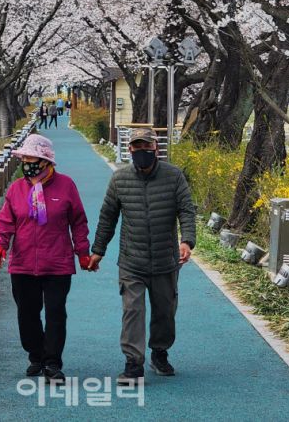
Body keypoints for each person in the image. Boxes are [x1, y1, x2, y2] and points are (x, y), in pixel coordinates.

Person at [89, 129, 196, 385]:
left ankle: (159, 352)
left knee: (165, 312)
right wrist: (98, 250)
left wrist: (187, 241)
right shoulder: (120, 179)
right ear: (130, 151)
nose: (142, 152)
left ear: (155, 149)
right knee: (132, 311)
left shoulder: (174, 176)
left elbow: (186, 210)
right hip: (131, 260)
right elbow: (108, 217)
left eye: (146, 147)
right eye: (137, 148)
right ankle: (133, 363)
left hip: (165, 260)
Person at [0, 134, 93, 383]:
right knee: (27, 314)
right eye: (25, 158)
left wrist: (82, 252)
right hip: (23, 264)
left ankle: (52, 363)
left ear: (46, 162)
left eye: (32, 158)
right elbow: (6, 221)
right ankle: (35, 355)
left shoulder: (66, 186)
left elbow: (78, 222)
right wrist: (0, 246)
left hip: (57, 263)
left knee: (56, 313)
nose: (28, 163)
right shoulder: (16, 189)